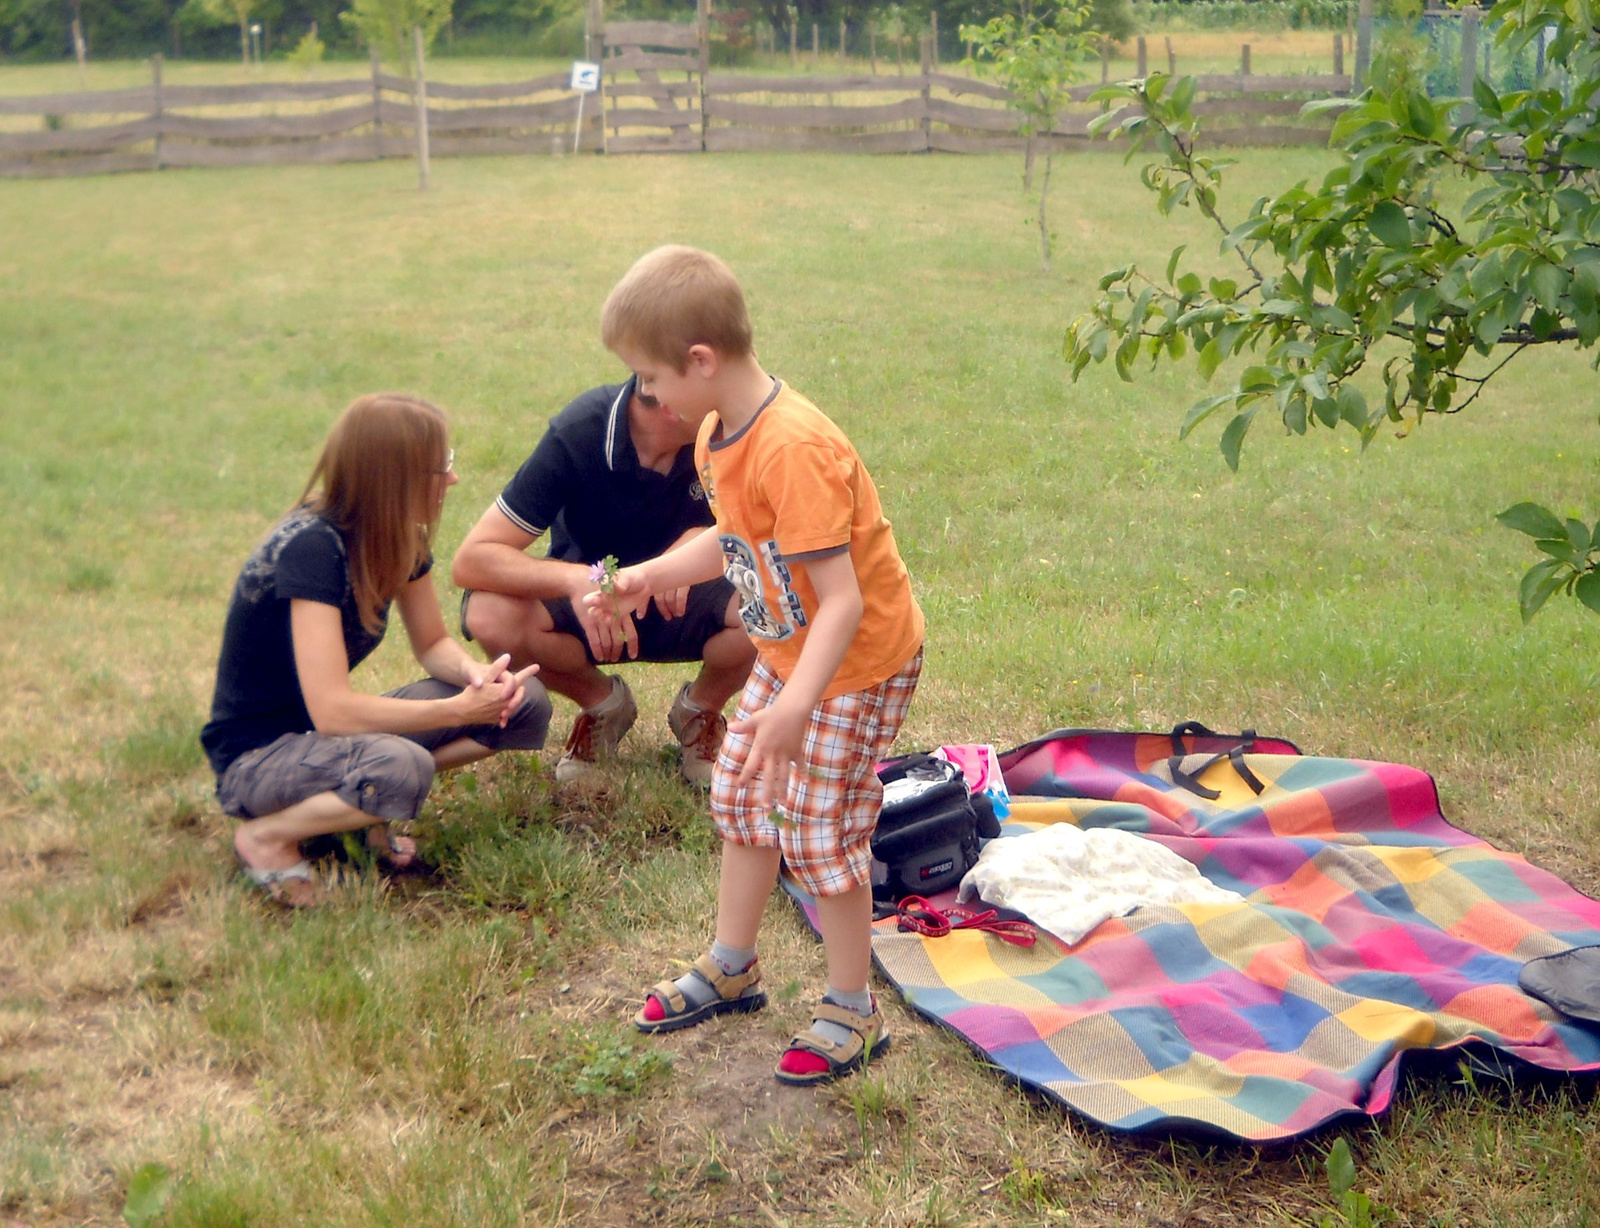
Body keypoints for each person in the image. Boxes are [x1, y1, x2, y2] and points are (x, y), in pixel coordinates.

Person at [588, 246, 925, 1085]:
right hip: (791, 651)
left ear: (701, 361)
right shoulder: (716, 433)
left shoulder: (793, 449)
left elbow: (842, 601)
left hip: (852, 664)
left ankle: (854, 1008)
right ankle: (734, 965)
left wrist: (795, 705)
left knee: (819, 826)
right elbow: (731, 540)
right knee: (740, 793)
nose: (645, 396)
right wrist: (646, 576)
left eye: (649, 378)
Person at [200, 393, 550, 908]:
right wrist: (454, 709)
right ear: (396, 477)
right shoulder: (312, 549)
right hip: (258, 758)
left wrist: (475, 676)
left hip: (320, 741)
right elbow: (333, 709)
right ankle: (268, 837)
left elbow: (432, 644)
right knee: (402, 766)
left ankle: (356, 811)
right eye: (441, 468)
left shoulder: (399, 538)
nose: (452, 480)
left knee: (526, 702)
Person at [450, 377, 755, 787]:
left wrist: (705, 535)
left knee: (781, 596)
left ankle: (700, 711)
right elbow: (473, 559)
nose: (728, 398)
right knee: (489, 613)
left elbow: (781, 530)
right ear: (670, 401)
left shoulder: (730, 428)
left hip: (685, 594)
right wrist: (578, 580)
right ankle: (604, 706)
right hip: (596, 607)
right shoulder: (581, 431)